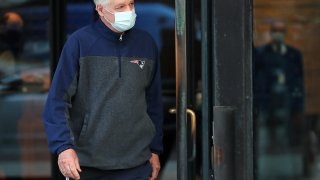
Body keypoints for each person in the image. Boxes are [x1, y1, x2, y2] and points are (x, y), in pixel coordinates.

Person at [42, 0, 163, 179]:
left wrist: (155, 149)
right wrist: (64, 147)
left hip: (137, 164)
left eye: (131, 4)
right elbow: (57, 102)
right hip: (87, 166)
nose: (129, 11)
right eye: (120, 7)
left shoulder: (145, 43)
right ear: (100, 9)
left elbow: (153, 102)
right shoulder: (79, 43)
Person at [254, 20, 304, 149]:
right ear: (271, 33)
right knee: (268, 133)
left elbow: (299, 79)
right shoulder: (261, 54)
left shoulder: (294, 54)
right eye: (275, 31)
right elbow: (258, 79)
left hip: (288, 99)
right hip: (267, 100)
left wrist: (298, 104)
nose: (278, 34)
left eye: (281, 31)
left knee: (287, 134)